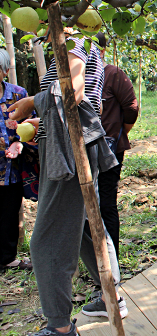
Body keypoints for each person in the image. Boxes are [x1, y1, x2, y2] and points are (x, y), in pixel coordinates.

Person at [10, 31, 125, 335]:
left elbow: (70, 93)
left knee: (46, 242)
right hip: (71, 145)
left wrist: (31, 102)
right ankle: (110, 295)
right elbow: (79, 101)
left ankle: (59, 327)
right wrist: (41, 122)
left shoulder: (73, 43)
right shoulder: (82, 46)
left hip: (68, 150)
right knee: (87, 228)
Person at [95, 33, 139, 256]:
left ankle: (110, 258)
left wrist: (122, 131)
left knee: (106, 202)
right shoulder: (76, 77)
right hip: (82, 151)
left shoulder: (112, 74)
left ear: (101, 50)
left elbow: (131, 108)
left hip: (108, 149)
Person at [0, 49, 37, 272]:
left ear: (4, 71)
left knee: (9, 209)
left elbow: (29, 126)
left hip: (11, 165)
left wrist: (19, 143)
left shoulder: (18, 95)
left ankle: (7, 257)